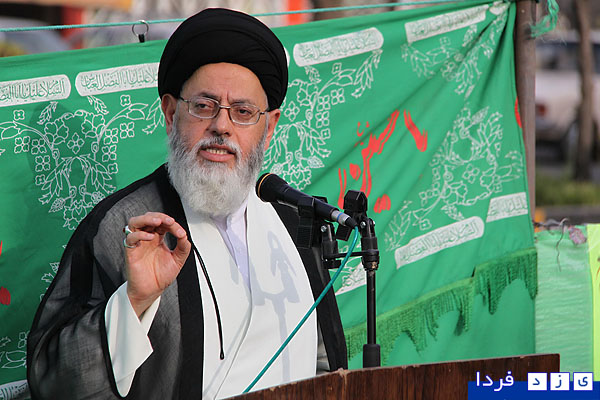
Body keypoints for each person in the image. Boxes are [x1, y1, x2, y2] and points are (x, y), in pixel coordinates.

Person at [26, 8, 347, 400]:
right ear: (170, 112)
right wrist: (135, 301)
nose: (222, 126)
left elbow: (325, 361)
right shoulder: (124, 225)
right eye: (204, 106)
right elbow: (55, 383)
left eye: (243, 112)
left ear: (269, 126)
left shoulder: (294, 220)